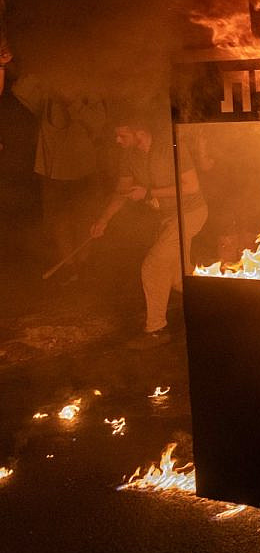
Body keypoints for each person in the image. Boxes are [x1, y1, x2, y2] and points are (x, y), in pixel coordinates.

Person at [90, 111, 208, 349]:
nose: (118, 141)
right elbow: (121, 193)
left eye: (122, 135)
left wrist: (149, 193)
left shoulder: (170, 149)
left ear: (139, 132)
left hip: (190, 214)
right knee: (177, 277)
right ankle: (215, 307)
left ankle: (156, 330)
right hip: (167, 219)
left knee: (153, 267)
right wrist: (103, 220)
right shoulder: (129, 157)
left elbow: (192, 187)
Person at [9, 66, 107, 283]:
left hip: (83, 169)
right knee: (59, 222)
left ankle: (84, 265)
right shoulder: (46, 94)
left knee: (85, 219)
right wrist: (44, 67)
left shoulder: (89, 93)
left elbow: (99, 123)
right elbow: (20, 89)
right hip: (52, 170)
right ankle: (70, 267)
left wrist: (74, 103)